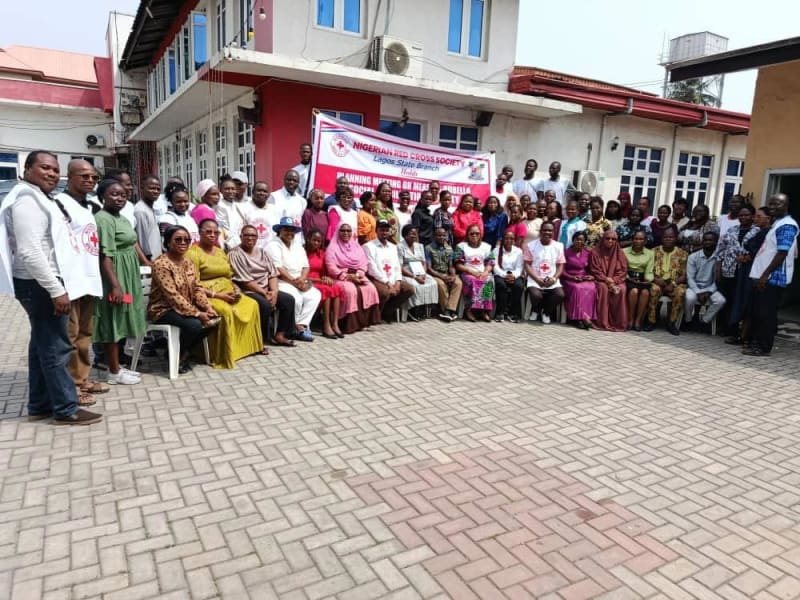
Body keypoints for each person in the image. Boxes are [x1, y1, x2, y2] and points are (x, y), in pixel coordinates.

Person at [0, 150, 102, 424]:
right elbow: (30, 251)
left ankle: (40, 404)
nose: (52, 174)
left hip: (41, 283)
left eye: (55, 170)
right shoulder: (26, 200)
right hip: (40, 284)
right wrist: (56, 290)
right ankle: (66, 408)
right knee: (56, 348)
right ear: (28, 169)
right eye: (45, 168)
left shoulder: (38, 197)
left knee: (41, 346)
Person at [56, 159, 106, 401]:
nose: (89, 181)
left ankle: (81, 378)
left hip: (89, 279)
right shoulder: (59, 205)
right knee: (71, 335)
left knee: (85, 334)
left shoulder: (90, 206)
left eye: (93, 177)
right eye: (84, 176)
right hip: (71, 281)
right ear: (69, 176)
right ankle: (71, 388)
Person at [186, 220, 263, 367]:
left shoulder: (220, 251)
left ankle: (248, 348)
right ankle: (224, 353)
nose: (212, 235)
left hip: (228, 290)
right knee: (225, 311)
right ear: (199, 233)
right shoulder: (193, 253)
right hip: (207, 294)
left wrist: (236, 289)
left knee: (252, 304)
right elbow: (193, 284)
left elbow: (229, 275)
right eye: (208, 232)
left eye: (216, 232)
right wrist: (219, 296)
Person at [94, 178, 149, 385]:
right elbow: (104, 255)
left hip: (129, 273)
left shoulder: (122, 218)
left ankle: (118, 366)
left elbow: (133, 243)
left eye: (123, 195)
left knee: (123, 318)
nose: (119, 198)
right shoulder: (103, 219)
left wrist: (146, 263)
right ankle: (114, 371)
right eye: (114, 194)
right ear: (102, 197)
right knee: (113, 320)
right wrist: (115, 285)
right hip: (115, 276)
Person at [148, 226, 219, 373]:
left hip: (184, 306)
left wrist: (207, 307)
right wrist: (198, 313)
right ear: (167, 242)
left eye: (187, 240)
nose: (183, 242)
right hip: (162, 309)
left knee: (214, 319)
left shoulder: (187, 261)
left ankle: (183, 350)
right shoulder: (161, 264)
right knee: (194, 325)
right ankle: (177, 355)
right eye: (178, 239)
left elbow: (196, 288)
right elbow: (172, 296)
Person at [229, 225, 299, 349]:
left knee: (288, 300)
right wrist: (264, 293)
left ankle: (280, 334)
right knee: (264, 305)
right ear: (241, 237)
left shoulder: (262, 252)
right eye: (247, 235)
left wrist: (274, 292)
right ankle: (258, 340)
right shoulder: (235, 254)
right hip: (248, 290)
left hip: (267, 289)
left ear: (257, 238)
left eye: (253, 235)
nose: (250, 238)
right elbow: (245, 281)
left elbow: (272, 274)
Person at [746, 193, 798, 356]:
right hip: (764, 276)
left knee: (766, 314)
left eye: (778, 204)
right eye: (771, 204)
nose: (773, 207)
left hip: (773, 277)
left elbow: (782, 253)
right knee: (759, 312)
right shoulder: (778, 223)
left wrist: (764, 275)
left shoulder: (787, 225)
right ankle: (756, 343)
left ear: (786, 206)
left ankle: (763, 347)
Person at [266, 217, 322, 341]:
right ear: (280, 230)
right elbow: (278, 268)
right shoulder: (273, 245)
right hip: (281, 281)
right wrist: (294, 282)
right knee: (296, 298)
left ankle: (300, 325)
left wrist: (302, 280)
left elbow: (306, 266)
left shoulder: (298, 245)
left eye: (292, 230)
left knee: (314, 295)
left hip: (298, 281)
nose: (290, 233)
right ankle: (291, 329)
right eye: (286, 229)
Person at [325, 222, 381, 333]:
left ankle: (364, 322)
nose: (346, 233)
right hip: (340, 277)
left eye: (348, 231)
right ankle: (348, 324)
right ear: (338, 232)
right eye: (343, 230)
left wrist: (358, 274)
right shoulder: (332, 248)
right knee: (350, 291)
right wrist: (347, 276)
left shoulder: (356, 246)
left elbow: (364, 263)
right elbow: (331, 267)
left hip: (357, 275)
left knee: (370, 288)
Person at [726, 206, 770, 347]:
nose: (754, 218)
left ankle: (746, 337)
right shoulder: (759, 232)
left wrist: (748, 257)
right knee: (740, 302)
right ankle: (738, 334)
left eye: (757, 216)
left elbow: (762, 252)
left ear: (768, 218)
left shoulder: (765, 233)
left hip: (753, 272)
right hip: (740, 270)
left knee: (749, 304)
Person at [715, 204, 758, 338]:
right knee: (727, 300)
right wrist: (718, 269)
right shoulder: (732, 230)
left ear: (752, 216)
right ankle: (726, 328)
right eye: (741, 215)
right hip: (729, 270)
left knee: (740, 301)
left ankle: (739, 331)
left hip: (746, 272)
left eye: (746, 215)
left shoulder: (757, 231)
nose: (743, 217)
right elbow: (720, 250)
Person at [364, 219, 414, 322]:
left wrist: (398, 282)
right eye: (382, 230)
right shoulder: (369, 246)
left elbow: (396, 266)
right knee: (385, 292)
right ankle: (375, 315)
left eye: (387, 230)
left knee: (409, 289)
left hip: (392, 279)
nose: (384, 233)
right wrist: (387, 283)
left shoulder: (393, 247)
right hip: (377, 279)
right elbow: (372, 269)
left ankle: (387, 312)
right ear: (376, 230)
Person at [644, 228, 688, 335]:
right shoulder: (653, 251)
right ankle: (651, 321)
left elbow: (685, 275)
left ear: (675, 238)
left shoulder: (683, 254)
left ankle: (671, 323)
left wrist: (673, 284)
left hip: (675, 283)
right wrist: (656, 279)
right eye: (665, 237)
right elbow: (648, 270)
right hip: (657, 282)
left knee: (680, 292)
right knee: (653, 290)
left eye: (671, 237)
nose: (668, 239)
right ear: (661, 238)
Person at [304, 229, 344, 338]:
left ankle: (335, 324)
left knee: (336, 288)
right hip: (307, 281)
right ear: (308, 239)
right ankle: (326, 325)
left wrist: (326, 278)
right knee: (326, 290)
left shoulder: (321, 254)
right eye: (314, 240)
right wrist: (319, 280)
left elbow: (323, 272)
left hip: (319, 280)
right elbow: (301, 274)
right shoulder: (303, 253)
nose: (316, 243)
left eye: (319, 241)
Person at [524, 222, 565, 324]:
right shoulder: (531, 245)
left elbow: (560, 265)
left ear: (553, 232)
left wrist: (554, 278)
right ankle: (535, 310)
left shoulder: (558, 246)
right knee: (536, 295)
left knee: (560, 295)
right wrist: (537, 279)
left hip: (551, 278)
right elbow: (527, 265)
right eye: (545, 230)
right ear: (540, 232)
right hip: (535, 278)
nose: (547, 232)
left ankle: (546, 313)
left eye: (550, 230)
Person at [685, 231, 726, 332]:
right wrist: (698, 292)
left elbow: (717, 279)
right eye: (705, 240)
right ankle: (688, 321)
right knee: (689, 298)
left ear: (716, 242)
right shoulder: (693, 257)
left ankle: (704, 321)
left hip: (710, 287)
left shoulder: (718, 258)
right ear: (702, 242)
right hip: (694, 287)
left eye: (710, 240)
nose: (707, 242)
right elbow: (690, 278)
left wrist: (709, 291)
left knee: (721, 301)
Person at [398, 224, 438, 321]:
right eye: (411, 234)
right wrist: (415, 277)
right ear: (405, 235)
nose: (414, 236)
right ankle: (412, 310)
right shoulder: (399, 246)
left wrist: (423, 274)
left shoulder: (420, 246)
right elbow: (401, 267)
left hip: (421, 272)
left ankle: (424, 308)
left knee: (433, 283)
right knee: (415, 285)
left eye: (415, 234)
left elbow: (424, 262)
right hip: (408, 273)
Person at [589, 230, 628, 332]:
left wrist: (613, 280)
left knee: (622, 289)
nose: (610, 241)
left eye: (613, 239)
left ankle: (618, 323)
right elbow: (594, 270)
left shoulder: (620, 253)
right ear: (603, 239)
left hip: (616, 280)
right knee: (603, 288)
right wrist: (606, 279)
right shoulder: (595, 252)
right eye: (608, 238)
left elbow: (623, 270)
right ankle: (603, 322)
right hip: (600, 280)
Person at [455, 224, 495, 322]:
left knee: (488, 280)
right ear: (467, 235)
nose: (474, 235)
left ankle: (484, 311)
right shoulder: (461, 246)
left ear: (480, 234)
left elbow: (491, 262)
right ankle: (469, 310)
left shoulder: (486, 246)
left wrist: (485, 272)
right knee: (473, 281)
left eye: (477, 233)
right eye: (471, 233)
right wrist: (471, 272)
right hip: (467, 273)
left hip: (482, 273)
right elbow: (458, 264)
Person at [560, 231, 596, 330]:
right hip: (568, 278)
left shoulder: (587, 253)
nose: (579, 242)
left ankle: (582, 318)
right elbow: (561, 270)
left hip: (583, 278)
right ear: (573, 240)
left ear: (585, 242)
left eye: (582, 240)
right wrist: (571, 277)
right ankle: (582, 318)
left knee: (591, 287)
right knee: (577, 288)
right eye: (577, 239)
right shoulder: (566, 252)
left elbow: (590, 270)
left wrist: (590, 276)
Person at [426, 227, 462, 322]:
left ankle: (449, 309)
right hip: (435, 274)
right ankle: (446, 310)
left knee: (458, 283)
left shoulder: (449, 249)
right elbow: (429, 268)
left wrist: (453, 275)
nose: (442, 237)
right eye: (439, 235)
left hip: (446, 273)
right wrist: (442, 277)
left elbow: (451, 265)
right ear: (434, 236)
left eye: (443, 235)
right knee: (441, 284)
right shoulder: (429, 248)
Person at [623, 231, 654, 331]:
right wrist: (628, 277)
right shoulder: (624, 251)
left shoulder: (650, 253)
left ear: (645, 241)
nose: (638, 241)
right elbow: (623, 268)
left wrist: (648, 280)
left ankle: (638, 320)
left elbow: (649, 270)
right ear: (632, 240)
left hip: (642, 278)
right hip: (629, 277)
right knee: (634, 291)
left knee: (645, 292)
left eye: (641, 239)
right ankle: (630, 319)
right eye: (636, 239)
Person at [492, 230, 525, 322]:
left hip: (514, 275)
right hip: (501, 274)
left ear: (514, 240)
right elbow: (495, 266)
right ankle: (500, 313)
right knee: (500, 285)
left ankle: (513, 313)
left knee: (518, 286)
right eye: (506, 238)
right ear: (503, 239)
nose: (509, 241)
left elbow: (519, 267)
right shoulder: (496, 250)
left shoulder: (518, 251)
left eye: (511, 239)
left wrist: (513, 276)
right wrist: (504, 275)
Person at [268, 170, 306, 243]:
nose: (291, 182)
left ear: (298, 183)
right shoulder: (273, 197)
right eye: (289, 179)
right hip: (278, 240)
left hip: (296, 241)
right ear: (284, 180)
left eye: (295, 180)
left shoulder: (302, 201)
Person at [134, 175, 164, 260]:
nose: (155, 191)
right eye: (152, 188)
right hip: (149, 262)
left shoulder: (150, 208)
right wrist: (148, 263)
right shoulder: (140, 211)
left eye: (158, 189)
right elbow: (142, 242)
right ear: (142, 188)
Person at [245, 180, 280, 249]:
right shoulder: (244, 208)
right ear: (253, 192)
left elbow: (277, 233)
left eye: (265, 191)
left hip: (270, 251)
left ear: (269, 194)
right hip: (250, 250)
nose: (262, 193)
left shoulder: (274, 210)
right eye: (259, 190)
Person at [216, 175, 246, 250]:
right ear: (221, 190)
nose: (230, 191)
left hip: (239, 243)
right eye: (227, 189)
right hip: (227, 244)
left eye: (233, 189)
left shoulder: (237, 206)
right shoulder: (219, 206)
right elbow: (224, 227)